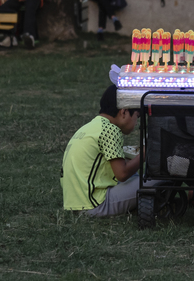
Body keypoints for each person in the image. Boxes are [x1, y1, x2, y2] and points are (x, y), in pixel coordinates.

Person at [61, 85, 155, 217]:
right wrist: (147, 151)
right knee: (156, 178)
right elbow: (122, 174)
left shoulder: (90, 127)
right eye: (137, 116)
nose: (136, 122)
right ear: (124, 112)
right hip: (95, 205)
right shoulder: (110, 130)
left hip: (77, 204)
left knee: (137, 176)